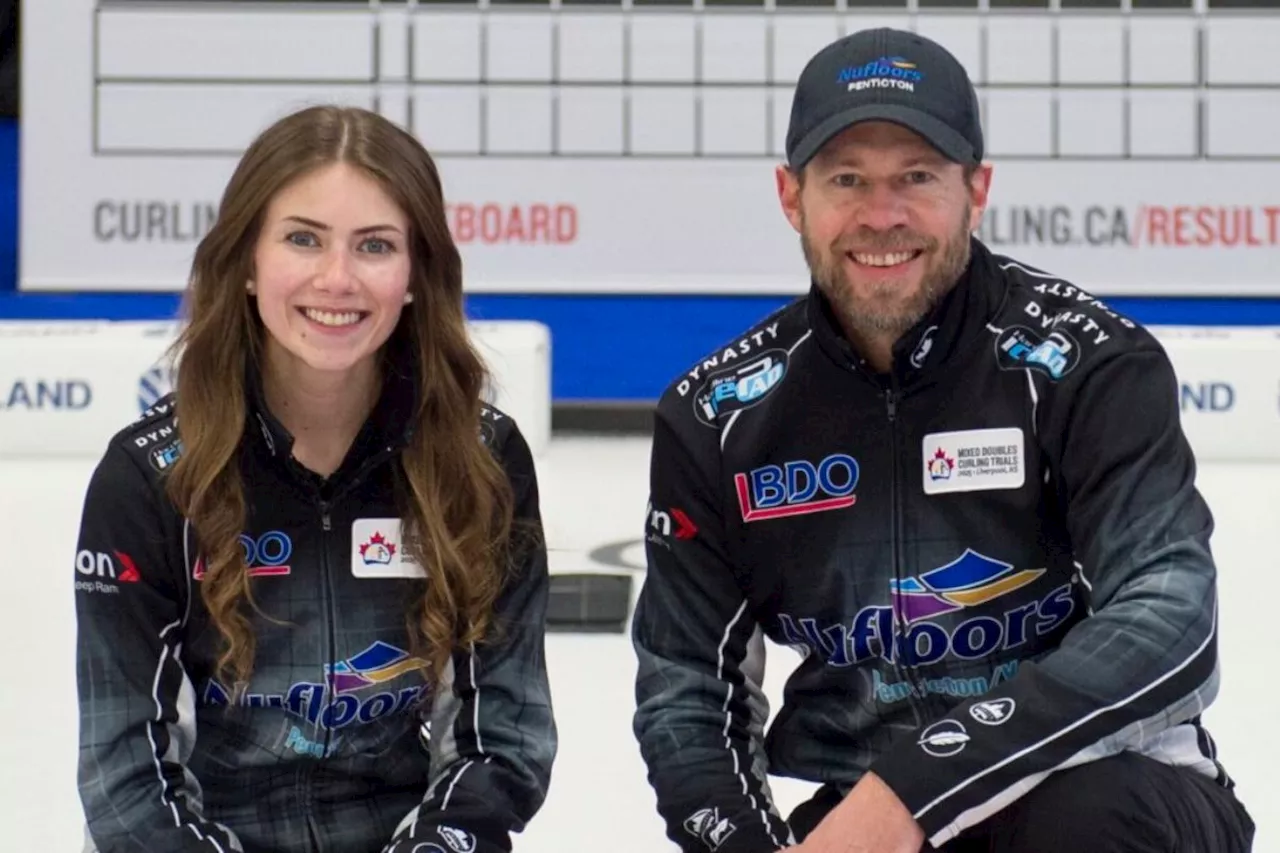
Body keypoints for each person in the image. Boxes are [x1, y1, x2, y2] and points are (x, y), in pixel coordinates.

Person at [631, 27, 1255, 853]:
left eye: (916, 177)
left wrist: (915, 785)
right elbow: (685, 688)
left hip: (1107, 790)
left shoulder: (1089, 367)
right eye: (846, 179)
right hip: (865, 814)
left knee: (1079, 826)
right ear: (792, 197)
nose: (881, 215)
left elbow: (1170, 622)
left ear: (977, 188)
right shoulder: (717, 417)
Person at [73, 105, 556, 853]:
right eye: (302, 238)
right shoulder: (149, 478)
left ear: (417, 275)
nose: (337, 278)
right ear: (244, 263)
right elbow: (125, 775)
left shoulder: (481, 460)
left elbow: (501, 740)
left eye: (375, 245)